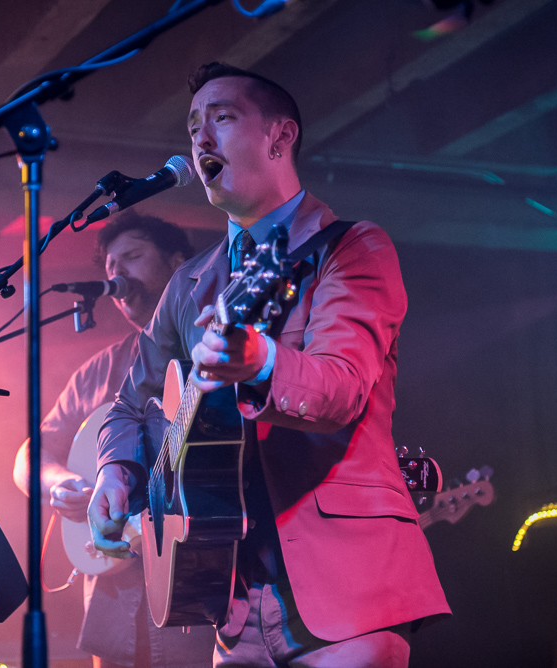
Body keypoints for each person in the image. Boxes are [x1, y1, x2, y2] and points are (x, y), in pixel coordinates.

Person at [87, 63, 450, 667]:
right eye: (193, 125)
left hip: (348, 593)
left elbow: (340, 390)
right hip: (231, 606)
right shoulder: (190, 282)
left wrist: (260, 360)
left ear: (280, 138)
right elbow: (131, 404)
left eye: (222, 119)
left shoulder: (353, 248)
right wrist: (116, 470)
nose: (200, 138)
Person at [12, 212, 216, 668]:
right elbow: (31, 454)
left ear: (178, 262)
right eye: (110, 268)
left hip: (199, 590)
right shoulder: (98, 370)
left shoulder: (211, 345)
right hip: (111, 600)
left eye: (133, 257)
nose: (118, 274)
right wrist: (59, 483)